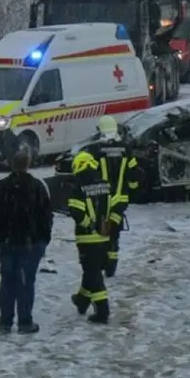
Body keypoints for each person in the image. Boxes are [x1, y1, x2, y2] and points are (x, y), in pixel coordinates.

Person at [0, 150, 53, 334]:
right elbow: (46, 216)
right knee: (25, 281)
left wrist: (0, 234)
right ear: (28, 164)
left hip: (7, 242)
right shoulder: (36, 187)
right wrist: (42, 239)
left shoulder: (0, 187)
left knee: (7, 281)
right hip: (29, 243)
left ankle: (5, 322)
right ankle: (25, 322)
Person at [81, 116, 142, 277]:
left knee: (101, 230)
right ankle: (111, 265)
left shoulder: (95, 150)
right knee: (114, 233)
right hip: (120, 199)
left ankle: (100, 261)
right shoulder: (125, 150)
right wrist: (131, 189)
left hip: (101, 199)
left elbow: (89, 174)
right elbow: (134, 174)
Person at [67, 151, 121, 324]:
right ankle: (82, 300)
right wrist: (108, 226)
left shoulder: (79, 187)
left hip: (87, 239)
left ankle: (102, 311)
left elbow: (76, 212)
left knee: (93, 273)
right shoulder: (106, 185)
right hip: (105, 238)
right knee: (92, 271)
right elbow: (115, 208)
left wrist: (90, 225)